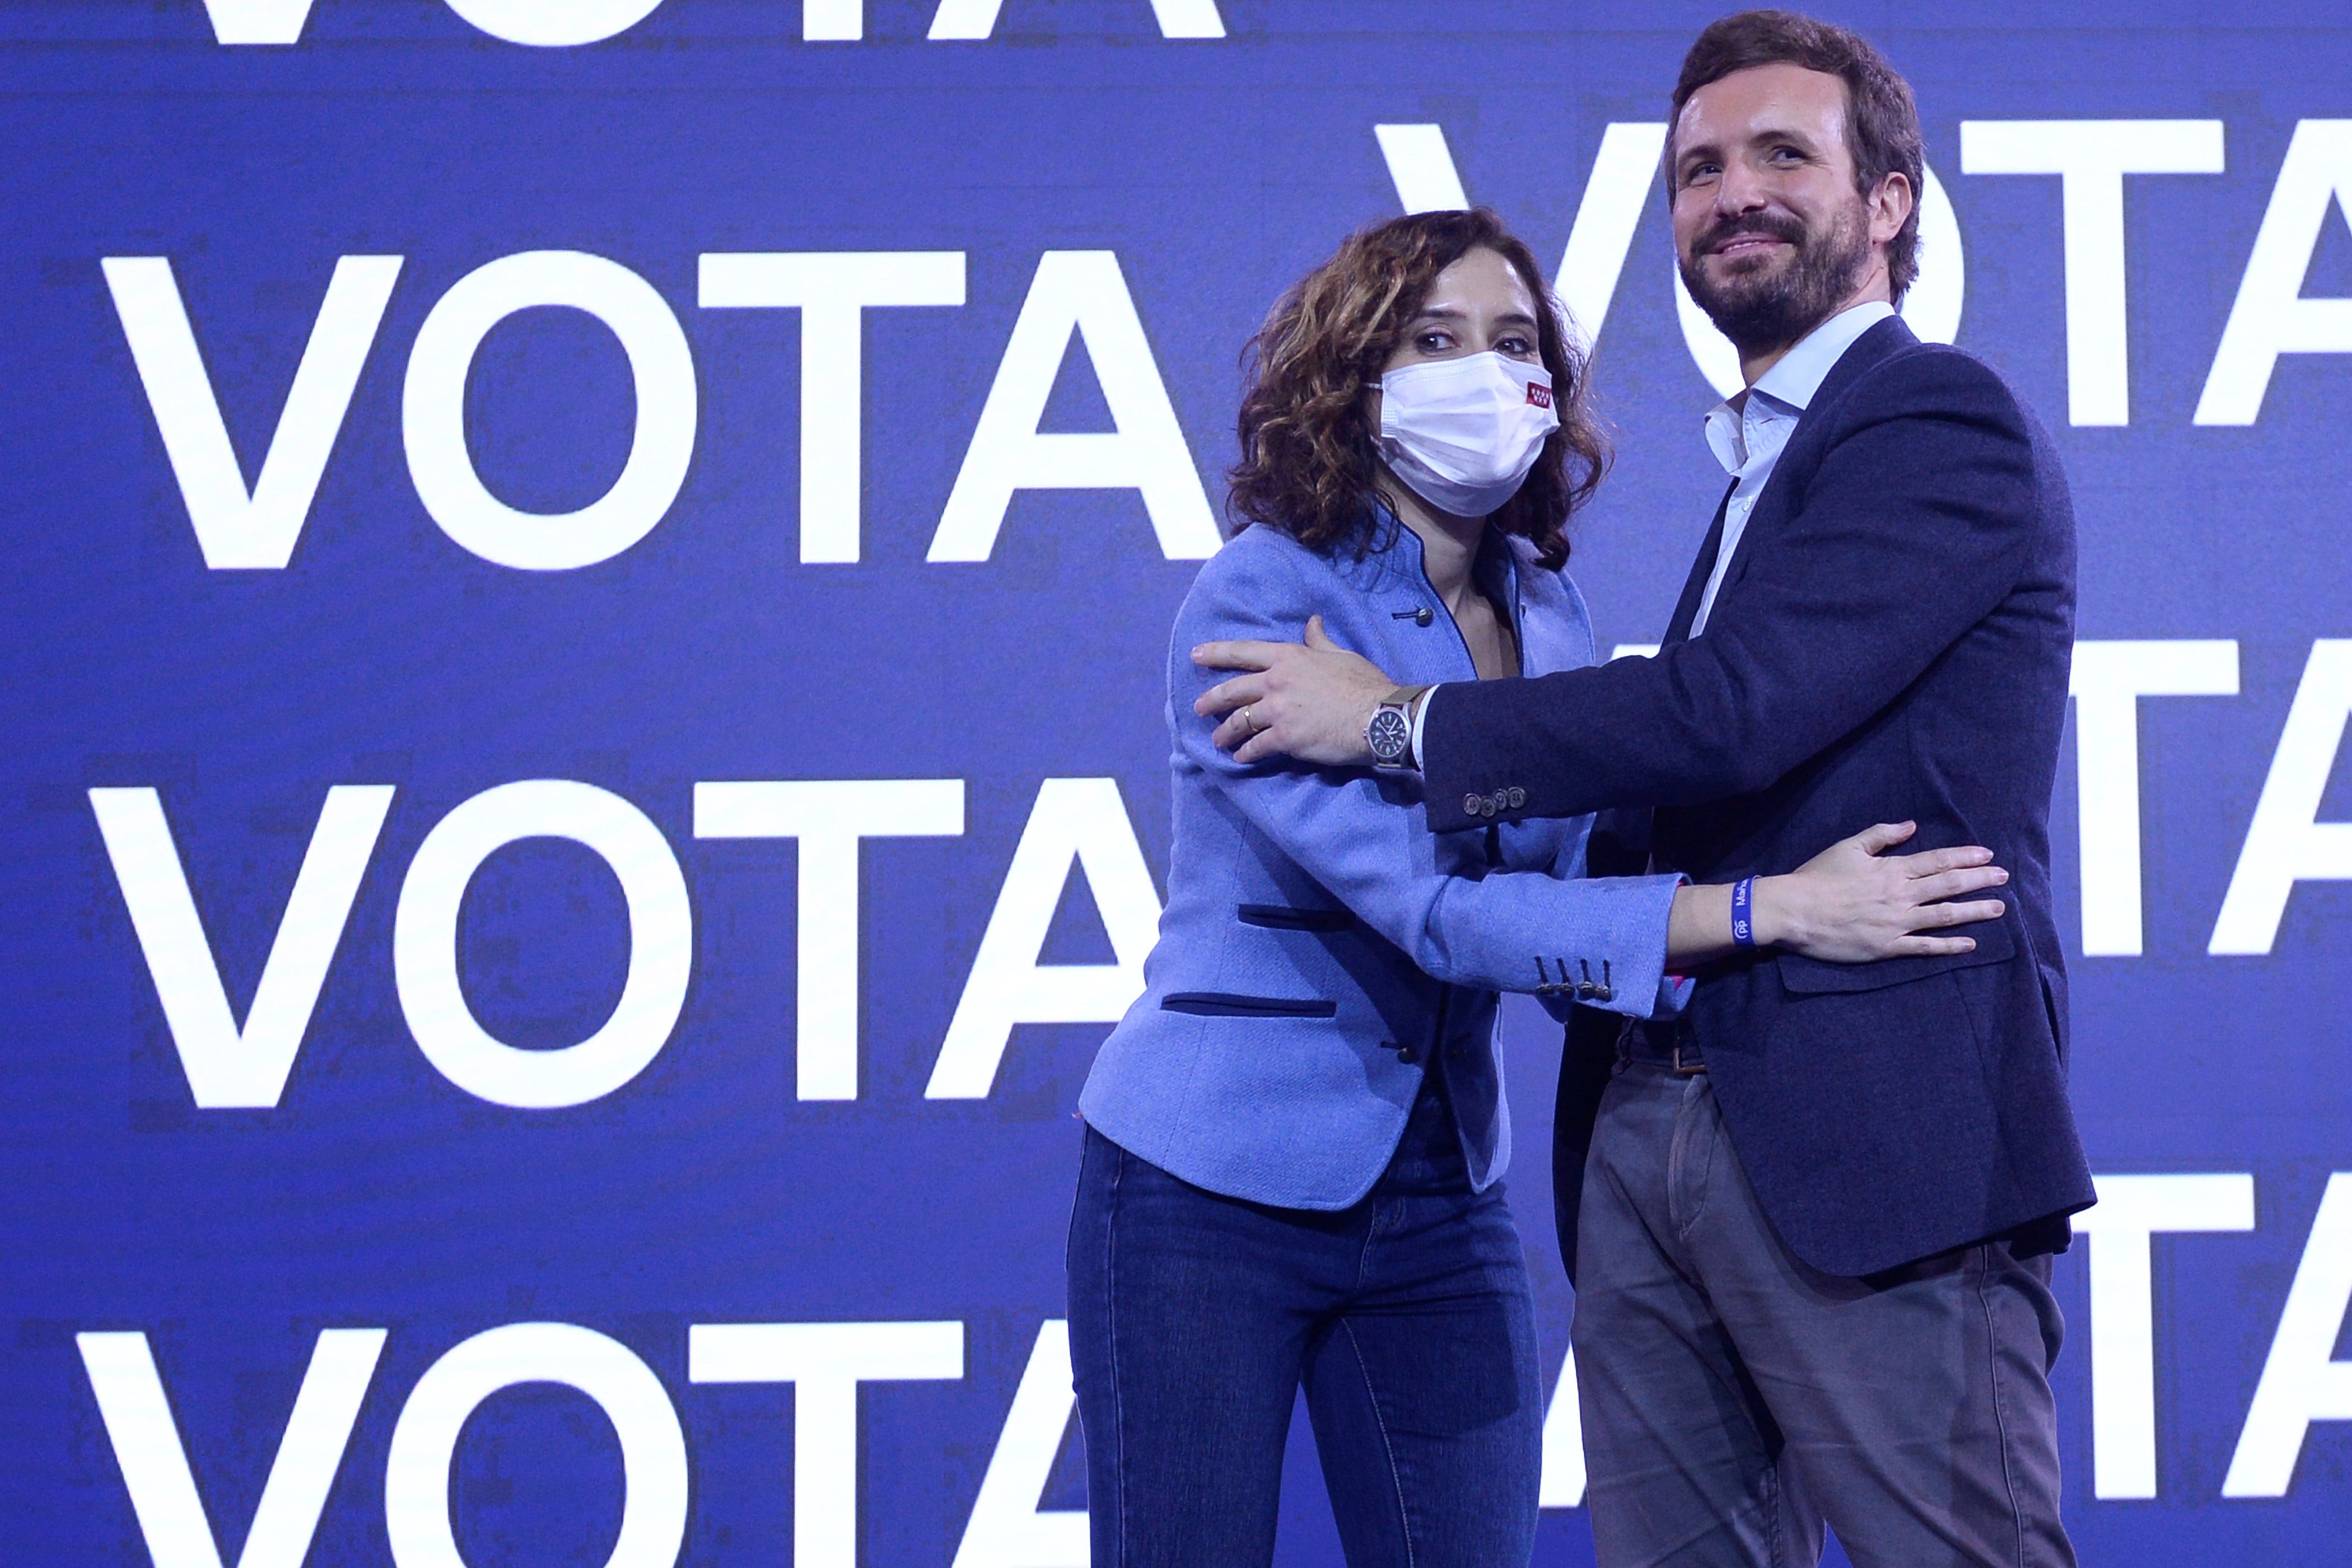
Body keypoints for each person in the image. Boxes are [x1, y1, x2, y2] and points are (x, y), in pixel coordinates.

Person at [1192, 12, 2094, 1566]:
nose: (1730, 193)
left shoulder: (1934, 422)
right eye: (1697, 169)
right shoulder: (1757, 473)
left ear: (1890, 201)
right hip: (1650, 1121)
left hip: (1869, 1146)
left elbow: (1729, 719)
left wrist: (1403, 726)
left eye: (1780, 156)